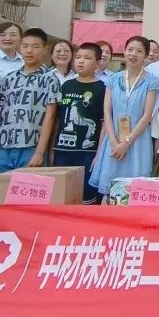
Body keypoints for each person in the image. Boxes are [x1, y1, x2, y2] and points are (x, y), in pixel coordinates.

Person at [89, 36, 159, 197]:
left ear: (145, 55)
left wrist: (126, 143)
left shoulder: (151, 81)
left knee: (135, 191)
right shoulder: (113, 79)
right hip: (113, 138)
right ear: (124, 52)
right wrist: (115, 142)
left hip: (138, 141)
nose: (133, 54)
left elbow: (147, 115)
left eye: (139, 51)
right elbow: (107, 112)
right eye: (130, 49)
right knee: (109, 192)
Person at [0, 28, 60, 176]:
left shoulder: (50, 79)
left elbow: (50, 117)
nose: (29, 51)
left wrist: (40, 152)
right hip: (2, 146)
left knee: (27, 190)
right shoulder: (9, 78)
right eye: (25, 46)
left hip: (30, 146)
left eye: (35, 47)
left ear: (44, 49)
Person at [54, 42, 106, 203]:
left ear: (97, 63)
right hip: (62, 150)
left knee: (86, 197)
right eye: (78, 57)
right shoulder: (66, 85)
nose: (81, 61)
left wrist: (99, 154)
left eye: (87, 58)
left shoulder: (102, 88)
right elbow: (58, 118)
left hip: (88, 153)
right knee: (62, 195)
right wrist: (52, 149)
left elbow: (104, 123)